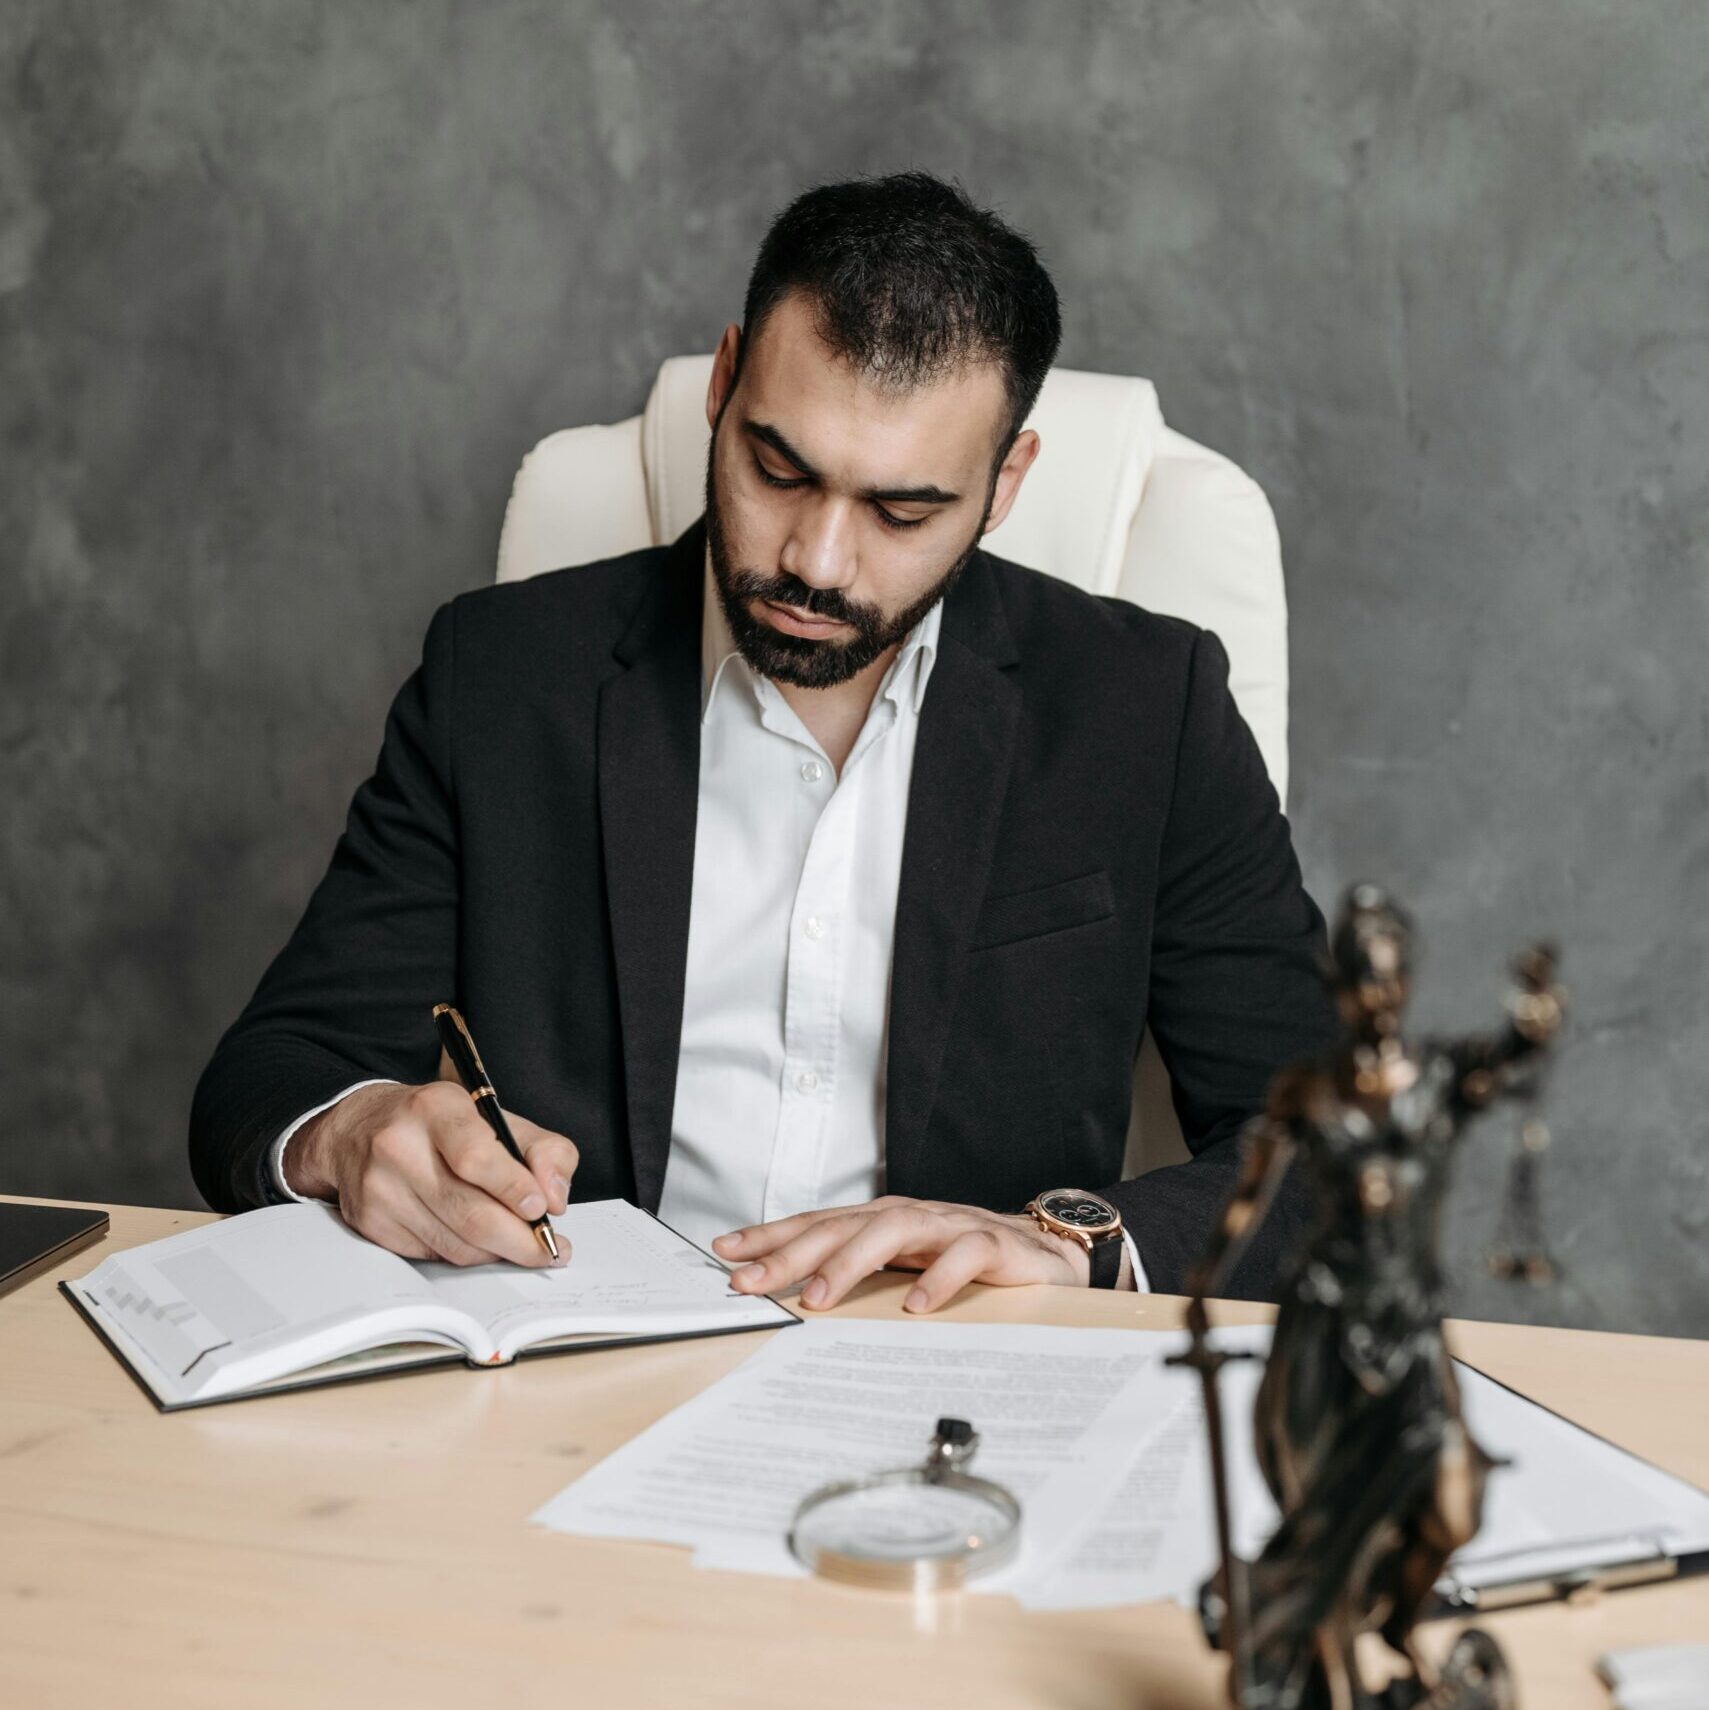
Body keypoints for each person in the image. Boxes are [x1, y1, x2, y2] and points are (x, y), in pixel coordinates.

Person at [190, 170, 1336, 1309]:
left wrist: (1066, 1240)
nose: (816, 562)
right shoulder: (498, 675)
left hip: (952, 1380)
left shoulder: (1147, 705)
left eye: (901, 512)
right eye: (777, 470)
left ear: (1003, 486)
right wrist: (349, 1132)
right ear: (724, 385)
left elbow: (1332, 1154)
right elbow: (271, 1071)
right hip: (569, 1362)